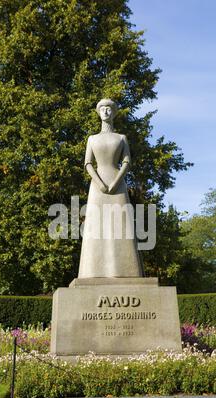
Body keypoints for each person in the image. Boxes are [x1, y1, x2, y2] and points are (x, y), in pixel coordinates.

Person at [78, 99, 143, 278]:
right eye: (103, 109)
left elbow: (127, 162)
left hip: (118, 184)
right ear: (98, 113)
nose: (106, 112)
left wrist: (116, 182)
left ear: (114, 113)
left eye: (109, 109)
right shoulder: (92, 139)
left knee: (121, 226)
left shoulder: (121, 138)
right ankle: (91, 272)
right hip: (97, 185)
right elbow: (88, 163)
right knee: (96, 226)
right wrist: (99, 183)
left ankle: (126, 272)